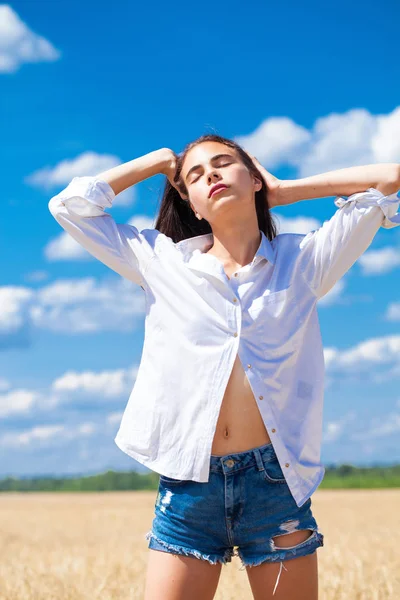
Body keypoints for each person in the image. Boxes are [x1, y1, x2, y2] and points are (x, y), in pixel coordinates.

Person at [48, 135, 400, 599]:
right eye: (195, 174)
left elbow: (389, 179)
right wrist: (158, 162)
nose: (210, 174)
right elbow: (69, 207)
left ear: (253, 178)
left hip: (274, 487)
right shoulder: (161, 261)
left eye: (223, 164)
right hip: (189, 488)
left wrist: (284, 190)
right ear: (191, 204)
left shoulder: (304, 261)